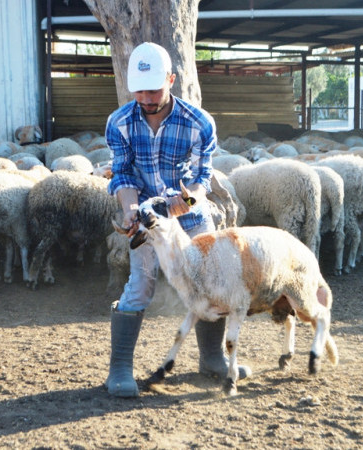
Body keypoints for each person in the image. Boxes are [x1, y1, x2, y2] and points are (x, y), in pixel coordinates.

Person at [104, 42, 250, 398]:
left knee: (212, 279)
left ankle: (212, 358)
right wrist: (128, 210)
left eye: (154, 90)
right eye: (139, 91)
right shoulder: (119, 123)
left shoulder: (199, 122)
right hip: (144, 214)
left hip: (189, 213)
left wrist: (183, 201)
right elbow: (121, 174)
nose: (146, 98)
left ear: (171, 79)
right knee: (142, 281)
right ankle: (120, 368)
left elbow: (202, 180)